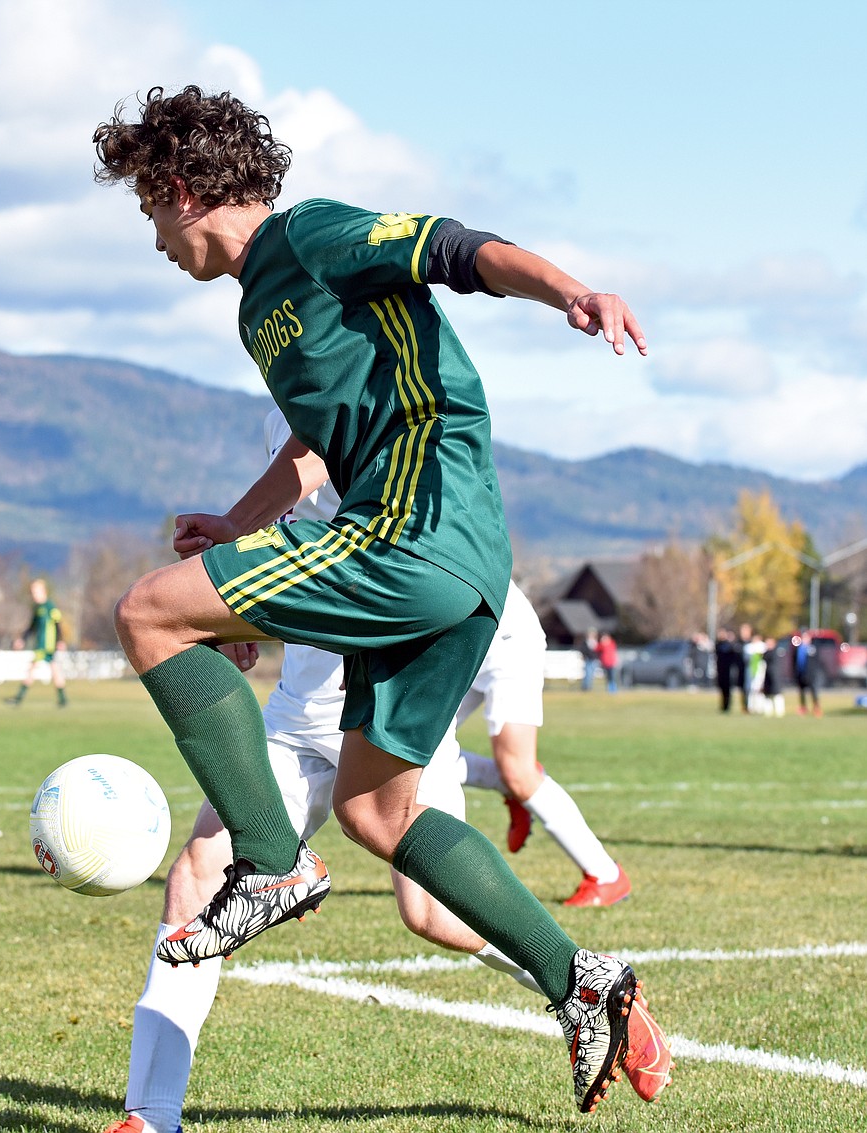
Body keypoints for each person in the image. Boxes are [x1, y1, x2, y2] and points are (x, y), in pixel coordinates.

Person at [94, 85, 657, 1112]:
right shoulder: (259, 307)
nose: (154, 240)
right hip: (458, 568)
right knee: (375, 810)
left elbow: (450, 246)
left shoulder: (308, 236)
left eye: (149, 213)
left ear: (184, 189)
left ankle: (270, 861)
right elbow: (315, 447)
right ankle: (583, 980)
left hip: (413, 530)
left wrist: (571, 291)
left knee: (147, 611)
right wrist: (235, 526)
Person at [106, 413, 670, 1133]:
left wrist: (232, 542)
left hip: (388, 689)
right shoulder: (280, 346)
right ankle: (151, 1116)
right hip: (302, 700)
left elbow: (314, 457)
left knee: (431, 911)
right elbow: (312, 536)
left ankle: (582, 981)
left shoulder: (335, 324)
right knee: (198, 871)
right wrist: (230, 611)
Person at [447, 581, 632, 907]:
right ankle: (506, 784)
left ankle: (606, 875)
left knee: (519, 771)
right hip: (460, 642)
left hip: (505, 640)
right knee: (418, 752)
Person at [4, 578, 68, 708]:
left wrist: (60, 641)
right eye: (32, 591)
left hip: (47, 645)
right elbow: (32, 627)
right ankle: (62, 699)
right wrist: (22, 639)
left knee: (34, 669)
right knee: (53, 670)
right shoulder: (37, 608)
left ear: (43, 591)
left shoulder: (50, 606)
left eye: (36, 591)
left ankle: (19, 698)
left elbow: (58, 624)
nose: (33, 594)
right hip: (40, 644)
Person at [794, 630, 823, 716]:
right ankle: (803, 708)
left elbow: (816, 661)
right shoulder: (798, 649)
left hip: (810, 674)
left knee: (813, 691)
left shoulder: (812, 648)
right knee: (802, 692)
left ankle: (816, 708)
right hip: (800, 673)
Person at [714, 628, 741, 712]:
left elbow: (735, 655)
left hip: (728, 671)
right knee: (722, 689)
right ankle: (723, 706)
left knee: (727, 690)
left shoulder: (730, 645)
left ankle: (727, 706)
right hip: (720, 670)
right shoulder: (718, 645)